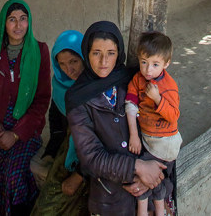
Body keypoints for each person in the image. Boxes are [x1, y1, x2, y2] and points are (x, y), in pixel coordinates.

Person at [66, 20, 166, 216]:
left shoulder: (136, 81)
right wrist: (137, 168)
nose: (104, 62)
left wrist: (151, 174)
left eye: (110, 53)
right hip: (110, 199)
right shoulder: (78, 98)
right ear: (87, 53)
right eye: (96, 53)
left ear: (119, 53)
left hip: (152, 191)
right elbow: (91, 157)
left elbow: (165, 128)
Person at [0, 0, 51, 216]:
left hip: (24, 131)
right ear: (3, 23)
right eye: (12, 19)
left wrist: (15, 134)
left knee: (13, 176)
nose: (18, 26)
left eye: (23, 19)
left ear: (29, 22)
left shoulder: (40, 51)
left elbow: (42, 100)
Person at [31, 29, 89, 215]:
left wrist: (79, 175)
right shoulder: (60, 86)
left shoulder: (96, 88)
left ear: (84, 57)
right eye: (62, 64)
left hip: (92, 158)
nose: (69, 70)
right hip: (70, 150)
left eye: (74, 61)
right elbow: (56, 121)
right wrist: (52, 150)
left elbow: (101, 136)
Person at [126, 32, 182, 216]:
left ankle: (157, 211)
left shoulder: (169, 86)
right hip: (147, 138)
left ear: (166, 64)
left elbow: (173, 115)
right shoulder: (138, 79)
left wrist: (158, 99)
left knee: (149, 179)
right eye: (144, 62)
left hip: (164, 142)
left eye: (155, 64)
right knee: (148, 177)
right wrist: (134, 135)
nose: (148, 69)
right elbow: (131, 104)